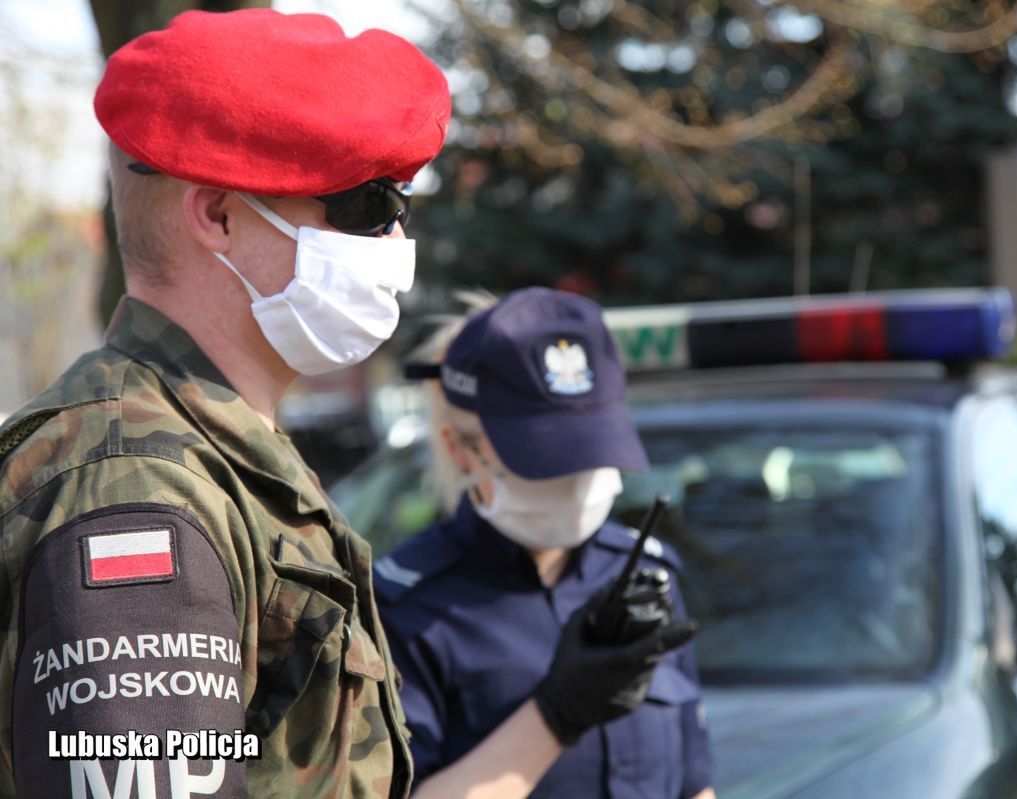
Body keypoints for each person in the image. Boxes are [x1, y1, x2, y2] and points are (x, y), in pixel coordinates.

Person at [0, 9, 450, 797]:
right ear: (217, 216)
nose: (393, 241)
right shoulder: (136, 491)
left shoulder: (220, 454)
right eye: (364, 205)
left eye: (399, 206)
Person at [375, 288, 717, 799]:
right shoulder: (402, 607)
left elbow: (695, 785)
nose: (575, 477)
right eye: (544, 458)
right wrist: (556, 716)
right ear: (461, 450)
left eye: (589, 448)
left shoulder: (648, 575)